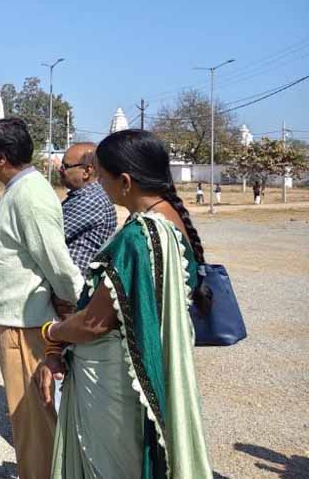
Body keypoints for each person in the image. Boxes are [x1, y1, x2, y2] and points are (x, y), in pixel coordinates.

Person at [35, 129, 212, 477]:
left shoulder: (138, 236)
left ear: (126, 182)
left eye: (102, 177)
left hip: (113, 381)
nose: (100, 185)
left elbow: (94, 323)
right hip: (137, 373)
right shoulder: (173, 222)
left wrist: (51, 332)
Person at [0, 118, 83, 479]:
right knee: (30, 422)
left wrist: (75, 308)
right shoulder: (19, 190)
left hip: (26, 325)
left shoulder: (30, 196)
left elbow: (58, 264)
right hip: (17, 320)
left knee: (35, 425)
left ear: (1, 158)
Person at [59, 142, 117, 275]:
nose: (60, 170)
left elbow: (49, 236)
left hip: (75, 284)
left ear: (86, 171)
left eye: (66, 166)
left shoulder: (91, 200)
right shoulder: (83, 196)